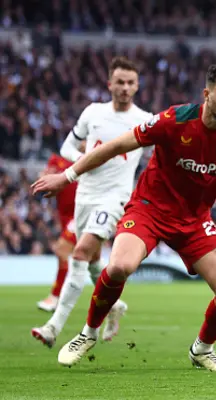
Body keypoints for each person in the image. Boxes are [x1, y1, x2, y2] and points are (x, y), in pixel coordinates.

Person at [32, 62, 216, 371]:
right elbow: (115, 146)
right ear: (207, 94)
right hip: (149, 208)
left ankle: (202, 349)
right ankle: (88, 333)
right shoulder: (173, 120)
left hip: (193, 220)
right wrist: (67, 176)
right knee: (120, 266)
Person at [32, 56, 152, 347]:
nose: (124, 88)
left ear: (137, 87)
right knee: (95, 261)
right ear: (109, 83)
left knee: (81, 251)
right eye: (119, 82)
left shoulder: (144, 121)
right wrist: (84, 160)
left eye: (130, 83)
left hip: (115, 198)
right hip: (84, 195)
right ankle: (115, 305)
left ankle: (53, 327)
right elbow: (67, 147)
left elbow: (161, 156)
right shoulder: (93, 112)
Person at [36, 153, 78, 312]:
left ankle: (54, 297)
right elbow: (45, 175)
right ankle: (113, 302)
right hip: (64, 215)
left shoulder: (89, 156)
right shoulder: (57, 158)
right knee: (91, 261)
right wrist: (43, 176)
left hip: (81, 212)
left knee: (62, 250)